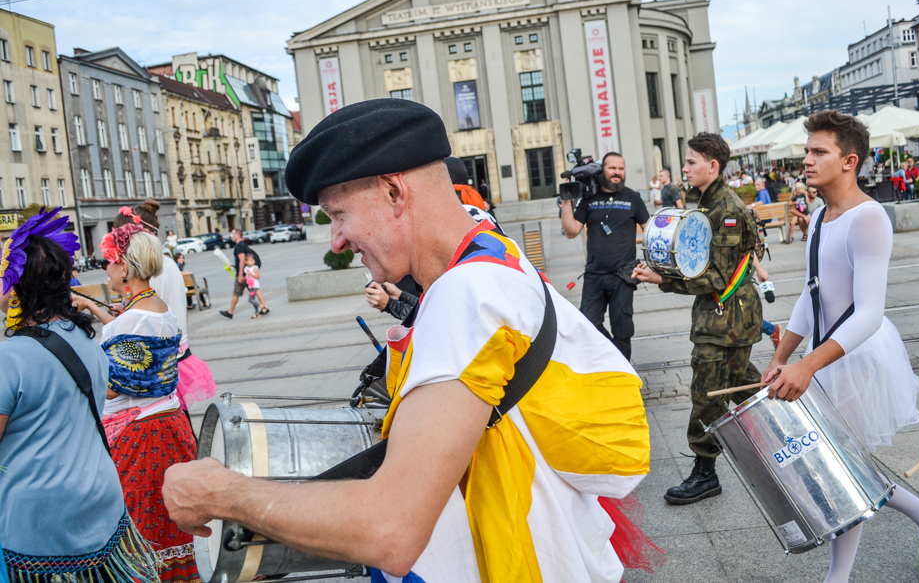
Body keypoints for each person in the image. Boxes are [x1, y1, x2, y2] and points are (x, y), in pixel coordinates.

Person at [162, 98, 651, 582]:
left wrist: (223, 495)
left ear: (395, 192)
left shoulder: (467, 296)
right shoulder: (492, 252)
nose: (336, 241)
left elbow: (391, 530)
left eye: (338, 214)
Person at [761, 110, 919, 582]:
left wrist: (806, 365)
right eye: (807, 151)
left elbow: (869, 313)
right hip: (825, 355)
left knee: (843, 468)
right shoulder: (820, 215)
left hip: (858, 356)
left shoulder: (868, 218)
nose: (807, 160)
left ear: (849, 161)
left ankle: (841, 575)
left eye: (819, 152)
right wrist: (781, 357)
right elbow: (811, 296)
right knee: (847, 465)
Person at [0, 209, 159, 583]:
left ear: (17, 287)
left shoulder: (11, 358)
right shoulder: (88, 339)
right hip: (99, 500)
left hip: (40, 519)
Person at [633, 133, 763, 505]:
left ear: (712, 166)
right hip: (718, 317)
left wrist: (663, 280)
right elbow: (695, 259)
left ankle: (705, 474)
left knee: (707, 394)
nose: (685, 168)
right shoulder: (702, 202)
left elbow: (717, 278)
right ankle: (792, 433)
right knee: (741, 384)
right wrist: (661, 269)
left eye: (691, 161)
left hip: (727, 318)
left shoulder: (728, 210)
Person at [72, 223, 196, 581]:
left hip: (140, 437)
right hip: (169, 423)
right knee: (170, 517)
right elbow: (134, 341)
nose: (107, 270)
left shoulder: (130, 321)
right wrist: (99, 312)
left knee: (142, 520)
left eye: (109, 262)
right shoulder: (160, 309)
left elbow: (114, 387)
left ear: (124, 266)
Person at [114, 202, 215, 416]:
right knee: (178, 418)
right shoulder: (167, 263)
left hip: (163, 360)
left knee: (170, 417)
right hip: (180, 351)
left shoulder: (146, 273)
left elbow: (145, 323)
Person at [560, 152, 650, 360]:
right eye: (612, 168)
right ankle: (614, 357)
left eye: (621, 168)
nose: (617, 173)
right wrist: (566, 202)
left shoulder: (633, 198)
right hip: (594, 275)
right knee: (587, 324)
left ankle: (623, 369)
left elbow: (650, 230)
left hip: (623, 275)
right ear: (603, 171)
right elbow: (571, 231)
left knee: (622, 329)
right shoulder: (589, 199)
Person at [220, 229, 268, 318]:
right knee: (255, 289)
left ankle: (230, 312)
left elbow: (242, 260)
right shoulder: (243, 244)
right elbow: (244, 260)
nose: (231, 236)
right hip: (247, 273)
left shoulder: (239, 246)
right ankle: (264, 307)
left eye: (232, 234)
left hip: (244, 274)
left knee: (236, 292)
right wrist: (235, 266)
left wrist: (240, 275)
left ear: (237, 235)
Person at [245, 253, 262, 319]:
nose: (252, 262)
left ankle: (261, 306)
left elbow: (258, 277)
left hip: (255, 285)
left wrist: (251, 274)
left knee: (250, 300)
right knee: (253, 299)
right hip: (250, 286)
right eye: (250, 260)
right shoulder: (246, 268)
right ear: (246, 262)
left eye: (253, 260)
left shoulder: (254, 268)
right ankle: (257, 313)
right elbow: (247, 276)